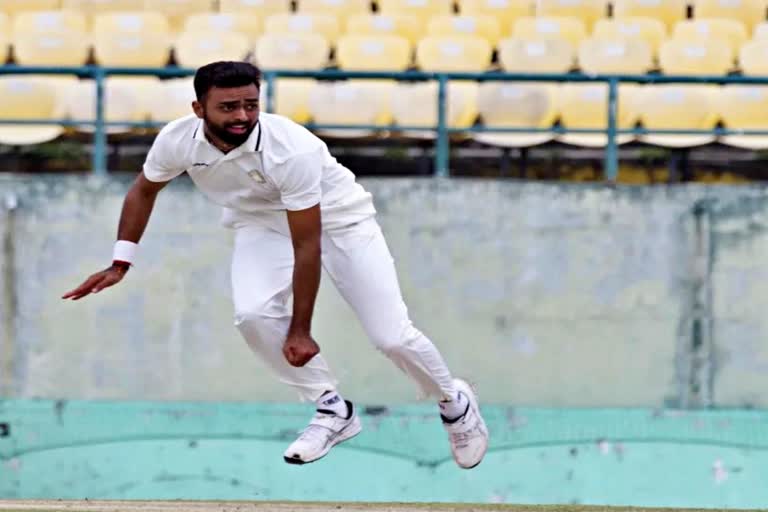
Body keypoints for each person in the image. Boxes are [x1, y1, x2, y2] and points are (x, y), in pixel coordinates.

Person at [63, 61, 488, 468]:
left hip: (341, 223)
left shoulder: (290, 150)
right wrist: (121, 262)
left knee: (391, 337)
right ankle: (331, 407)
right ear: (199, 109)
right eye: (228, 106)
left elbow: (308, 244)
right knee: (251, 315)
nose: (242, 115)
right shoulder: (177, 140)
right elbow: (143, 191)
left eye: (251, 104)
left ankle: (454, 402)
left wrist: (300, 329)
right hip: (259, 223)